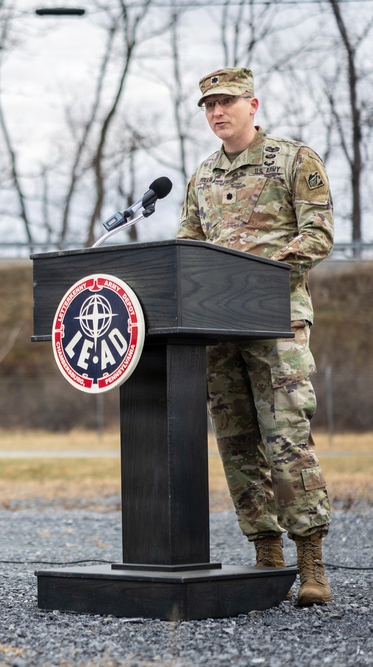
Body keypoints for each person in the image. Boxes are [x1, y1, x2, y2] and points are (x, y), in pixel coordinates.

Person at [176, 67, 334, 607]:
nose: (217, 112)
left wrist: (261, 269)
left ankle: (310, 559)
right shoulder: (201, 177)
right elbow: (187, 249)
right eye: (208, 105)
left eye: (227, 102)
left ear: (253, 104)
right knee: (237, 440)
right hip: (217, 326)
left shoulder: (293, 160)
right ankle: (265, 554)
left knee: (286, 435)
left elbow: (317, 236)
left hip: (275, 319)